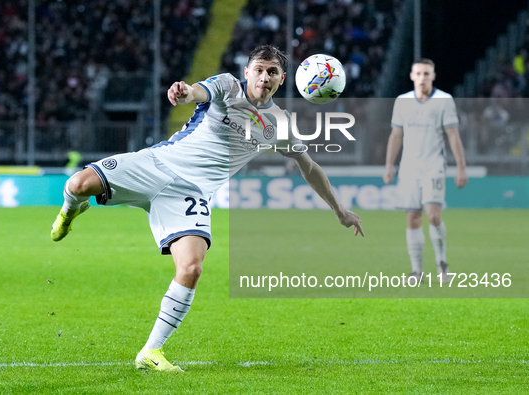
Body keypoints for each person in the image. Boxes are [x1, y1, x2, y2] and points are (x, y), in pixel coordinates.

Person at [50, 44, 365, 373]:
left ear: (283, 79)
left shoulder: (278, 123)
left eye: (272, 72)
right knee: (76, 185)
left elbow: (309, 167)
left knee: (191, 269)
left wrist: (340, 210)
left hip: (191, 193)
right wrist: (184, 92)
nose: (264, 76)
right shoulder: (228, 86)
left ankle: (151, 350)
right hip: (156, 164)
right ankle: (70, 211)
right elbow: (197, 92)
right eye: (259, 69)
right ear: (247, 72)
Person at [383, 58, 468, 284]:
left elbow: (453, 135)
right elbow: (396, 135)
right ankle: (416, 271)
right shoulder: (402, 102)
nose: (422, 78)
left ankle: (441, 261)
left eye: (426, 74)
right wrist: (389, 166)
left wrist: (461, 167)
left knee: (433, 215)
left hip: (434, 166)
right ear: (412, 76)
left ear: (433, 76)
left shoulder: (444, 100)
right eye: (418, 74)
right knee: (412, 218)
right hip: (409, 168)